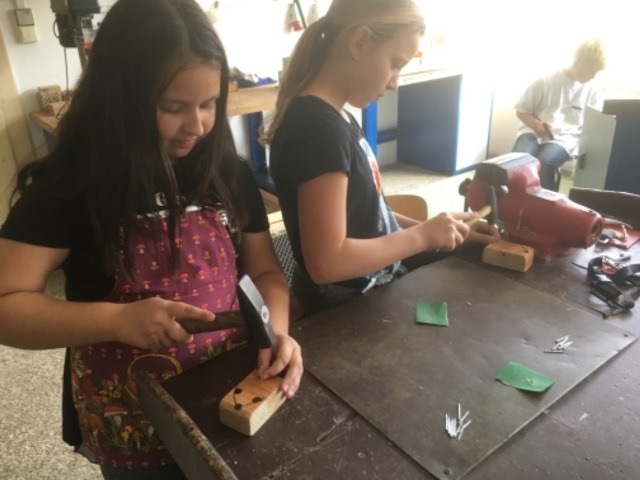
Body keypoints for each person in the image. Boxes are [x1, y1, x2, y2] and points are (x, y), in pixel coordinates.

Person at [0, 0, 303, 478]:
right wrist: (118, 320)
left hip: (229, 392)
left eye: (209, 104)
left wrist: (277, 332)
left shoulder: (227, 171)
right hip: (132, 419)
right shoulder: (74, 185)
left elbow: (265, 271)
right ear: (120, 98)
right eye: (173, 107)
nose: (197, 126)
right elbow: (6, 305)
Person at [263, 0, 500, 317]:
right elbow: (326, 263)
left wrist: (440, 230)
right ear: (359, 42)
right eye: (395, 63)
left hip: (373, 285)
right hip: (345, 309)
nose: (394, 82)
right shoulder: (318, 131)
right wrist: (422, 236)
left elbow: (372, 214)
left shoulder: (338, 118)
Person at [512, 38, 607, 191]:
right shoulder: (545, 81)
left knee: (545, 162)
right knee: (520, 161)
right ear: (577, 63)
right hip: (532, 130)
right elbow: (521, 110)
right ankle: (517, 200)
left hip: (566, 138)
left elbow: (593, 123)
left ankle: (548, 203)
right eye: (591, 71)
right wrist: (536, 124)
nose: (593, 77)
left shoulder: (593, 90)